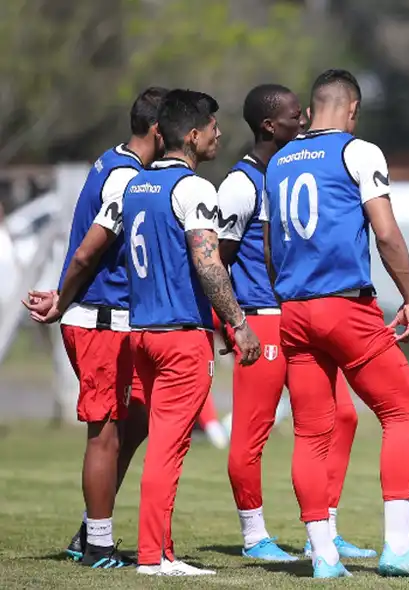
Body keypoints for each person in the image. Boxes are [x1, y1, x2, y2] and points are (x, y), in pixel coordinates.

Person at [262, 68, 409, 579]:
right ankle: (398, 547)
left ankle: (323, 557)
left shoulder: (277, 162)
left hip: (295, 310)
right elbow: (386, 233)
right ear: (351, 109)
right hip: (345, 306)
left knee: (310, 432)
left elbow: (271, 247)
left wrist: (290, 292)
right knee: (401, 413)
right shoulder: (357, 151)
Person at [216, 83, 374, 562]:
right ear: (269, 126)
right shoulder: (242, 183)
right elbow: (214, 261)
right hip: (261, 322)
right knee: (251, 431)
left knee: (341, 417)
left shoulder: (291, 168)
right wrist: (229, 322)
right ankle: (253, 534)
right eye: (292, 117)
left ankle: (321, 528)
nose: (302, 122)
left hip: (300, 318)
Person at [21, 87, 169, 568]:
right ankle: (99, 545)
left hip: (111, 320)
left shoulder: (114, 161)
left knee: (137, 421)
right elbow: (87, 250)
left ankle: (90, 528)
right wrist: (62, 300)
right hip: (100, 321)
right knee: (104, 434)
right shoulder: (125, 179)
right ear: (158, 131)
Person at [122, 88, 262, 576]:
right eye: (213, 126)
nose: (220, 134)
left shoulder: (136, 186)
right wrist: (239, 323)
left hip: (142, 331)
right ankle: (153, 556)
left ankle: (159, 548)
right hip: (180, 334)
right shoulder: (194, 188)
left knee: (161, 442)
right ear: (194, 133)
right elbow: (208, 264)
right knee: (169, 445)